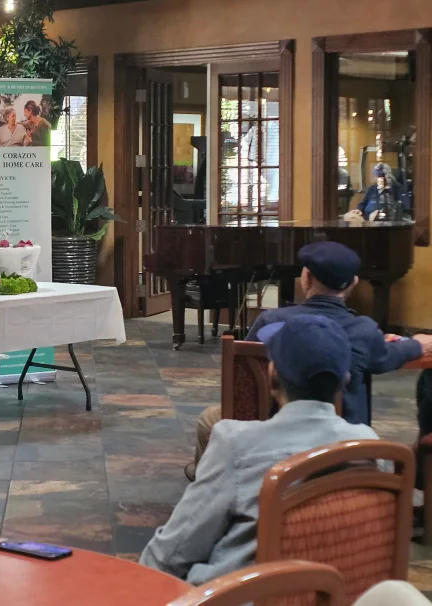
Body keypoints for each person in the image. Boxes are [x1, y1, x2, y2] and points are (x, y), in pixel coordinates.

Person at [140, 314, 380, 585]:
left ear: (272, 375)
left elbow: (172, 552)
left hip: (239, 595)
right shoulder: (370, 447)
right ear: (344, 380)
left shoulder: (236, 445)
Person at [186, 240, 432, 479]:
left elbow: (243, 376)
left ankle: (209, 476)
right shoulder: (363, 331)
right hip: (342, 437)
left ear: (306, 278)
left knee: (209, 419)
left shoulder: (270, 322)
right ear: (353, 283)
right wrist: (416, 344)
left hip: (270, 423)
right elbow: (387, 357)